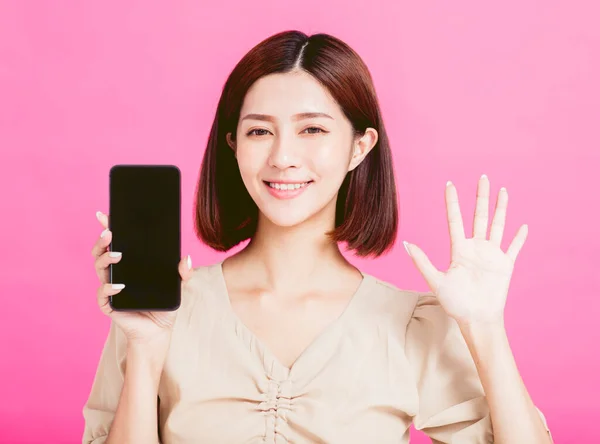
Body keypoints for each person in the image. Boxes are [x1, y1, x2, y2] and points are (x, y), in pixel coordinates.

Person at [83, 30, 553, 443]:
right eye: (259, 131)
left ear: (359, 147)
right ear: (234, 145)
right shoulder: (163, 308)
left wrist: (486, 329)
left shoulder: (409, 325)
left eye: (312, 129)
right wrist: (145, 352)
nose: (283, 156)